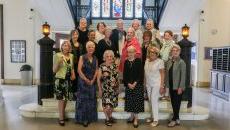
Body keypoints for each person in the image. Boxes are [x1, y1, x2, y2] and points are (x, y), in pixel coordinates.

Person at [75, 41, 98, 127]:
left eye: (92, 47)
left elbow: (96, 70)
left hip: (92, 81)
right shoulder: (82, 57)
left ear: (94, 48)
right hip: (83, 82)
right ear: (86, 48)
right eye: (89, 47)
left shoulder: (95, 58)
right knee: (83, 101)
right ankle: (83, 119)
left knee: (91, 100)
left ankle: (90, 118)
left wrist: (93, 80)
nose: (91, 48)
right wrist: (86, 79)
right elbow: (79, 70)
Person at [53, 41, 75, 126]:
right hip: (60, 80)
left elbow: (72, 67)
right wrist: (59, 62)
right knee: (61, 99)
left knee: (65, 99)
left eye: (68, 46)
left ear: (70, 48)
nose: (66, 47)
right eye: (64, 45)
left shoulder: (71, 56)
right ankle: (61, 118)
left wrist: (73, 74)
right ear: (61, 47)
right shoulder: (57, 55)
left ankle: (63, 115)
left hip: (68, 80)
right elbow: (54, 70)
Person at [165, 44, 186, 127]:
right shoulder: (169, 62)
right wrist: (166, 85)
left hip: (178, 86)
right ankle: (177, 118)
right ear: (171, 52)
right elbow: (167, 74)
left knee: (177, 103)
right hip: (171, 85)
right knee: (173, 103)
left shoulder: (182, 62)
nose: (175, 52)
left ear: (179, 52)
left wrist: (181, 87)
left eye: (177, 51)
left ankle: (174, 120)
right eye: (173, 51)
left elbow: (183, 76)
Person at [123, 46, 144, 128]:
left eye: (132, 52)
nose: (130, 53)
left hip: (137, 85)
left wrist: (135, 83)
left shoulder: (138, 61)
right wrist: (128, 83)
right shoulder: (126, 62)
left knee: (136, 102)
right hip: (129, 85)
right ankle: (131, 116)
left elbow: (140, 74)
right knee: (130, 102)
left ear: (135, 53)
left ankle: (136, 119)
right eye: (129, 52)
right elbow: (125, 74)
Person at [97, 50, 119, 126]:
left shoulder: (115, 66)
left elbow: (117, 77)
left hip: (114, 89)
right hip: (106, 89)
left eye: (111, 56)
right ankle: (107, 119)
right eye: (107, 56)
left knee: (112, 105)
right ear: (104, 57)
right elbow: (98, 79)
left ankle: (110, 117)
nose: (109, 58)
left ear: (113, 57)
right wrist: (99, 89)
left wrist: (118, 87)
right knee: (107, 105)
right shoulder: (101, 66)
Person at [144, 46, 165, 127]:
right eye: (150, 52)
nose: (152, 54)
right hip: (148, 84)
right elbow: (145, 73)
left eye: (154, 52)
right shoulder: (146, 61)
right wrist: (144, 84)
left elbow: (163, 74)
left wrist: (162, 86)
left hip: (157, 83)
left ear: (157, 54)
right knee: (150, 101)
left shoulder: (160, 61)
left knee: (153, 100)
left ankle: (156, 120)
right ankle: (152, 116)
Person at [70, 29, 82, 99]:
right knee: (73, 79)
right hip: (72, 64)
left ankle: (77, 93)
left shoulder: (80, 45)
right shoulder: (69, 44)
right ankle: (73, 94)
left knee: (78, 80)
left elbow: (82, 55)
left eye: (76, 34)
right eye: (74, 34)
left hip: (79, 64)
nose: (75, 36)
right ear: (71, 35)